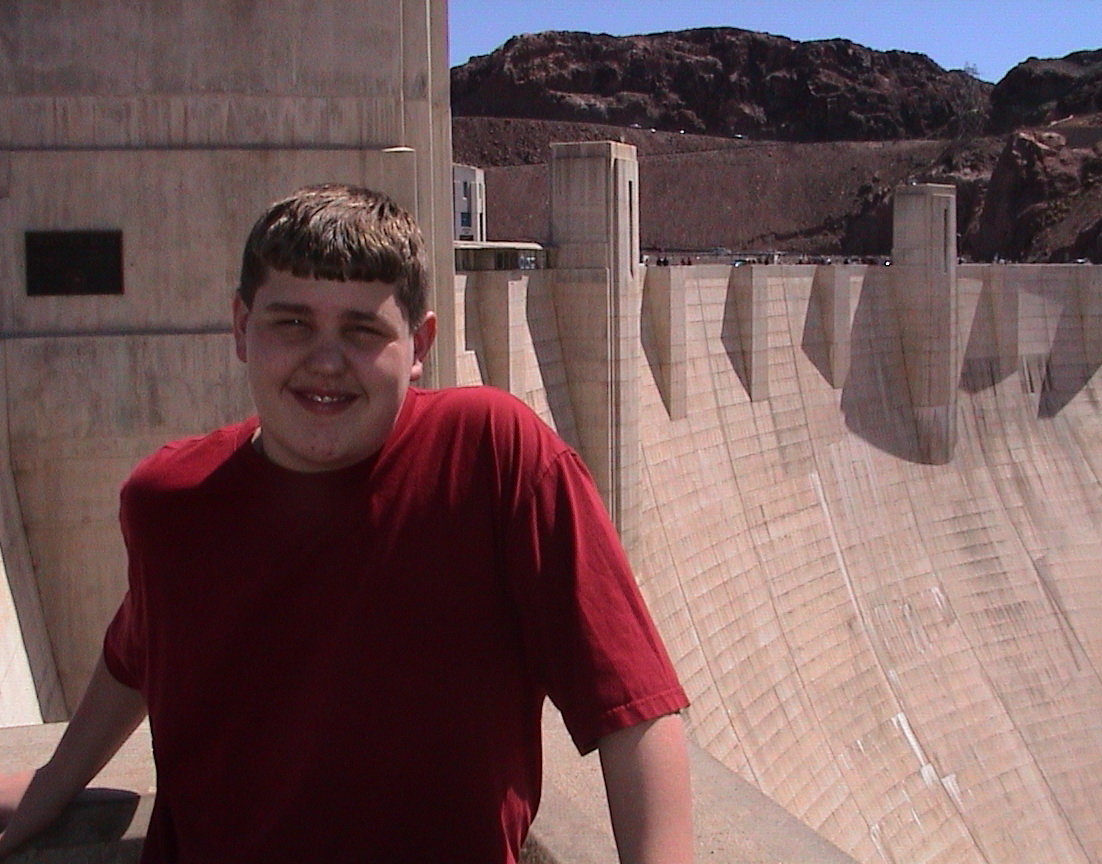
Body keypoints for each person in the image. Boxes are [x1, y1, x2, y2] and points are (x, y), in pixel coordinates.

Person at [0, 184, 693, 863]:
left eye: (363, 330)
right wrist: (53, 782)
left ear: (419, 345)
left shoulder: (491, 456)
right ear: (241, 327)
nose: (326, 361)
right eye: (292, 323)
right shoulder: (169, 498)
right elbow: (138, 653)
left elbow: (632, 706)